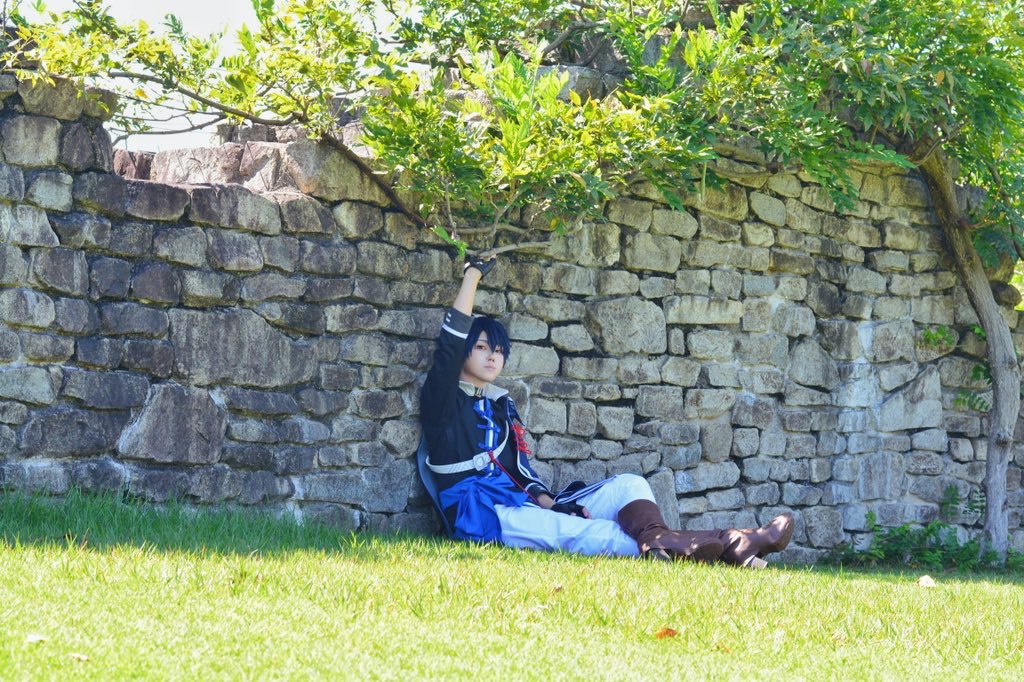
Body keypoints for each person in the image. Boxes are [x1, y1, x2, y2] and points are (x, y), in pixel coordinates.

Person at [418, 256, 794, 567]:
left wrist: (555, 506)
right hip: (481, 516)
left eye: (498, 351)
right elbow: (449, 347)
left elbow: (520, 473)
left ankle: (720, 547)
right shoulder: (443, 399)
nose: (492, 356)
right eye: (482, 348)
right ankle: (734, 542)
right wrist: (472, 276)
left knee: (630, 485)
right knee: (606, 535)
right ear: (465, 352)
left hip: (525, 504)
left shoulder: (500, 405)